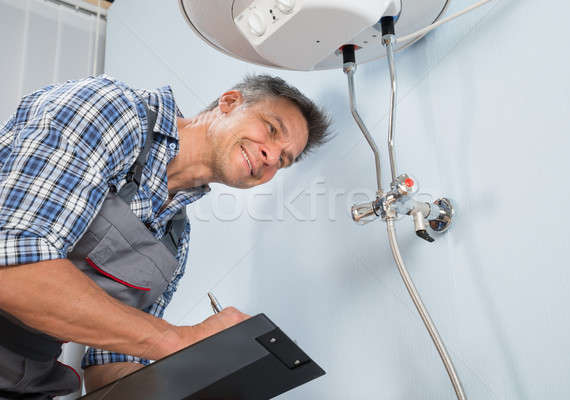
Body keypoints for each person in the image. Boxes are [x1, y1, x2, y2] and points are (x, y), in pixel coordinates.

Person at [0, 74, 330, 398]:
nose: (270, 157)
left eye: (283, 161)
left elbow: (109, 368)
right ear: (229, 103)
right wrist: (181, 339)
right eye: (271, 130)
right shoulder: (113, 109)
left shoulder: (175, 238)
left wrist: (197, 378)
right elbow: (12, 269)